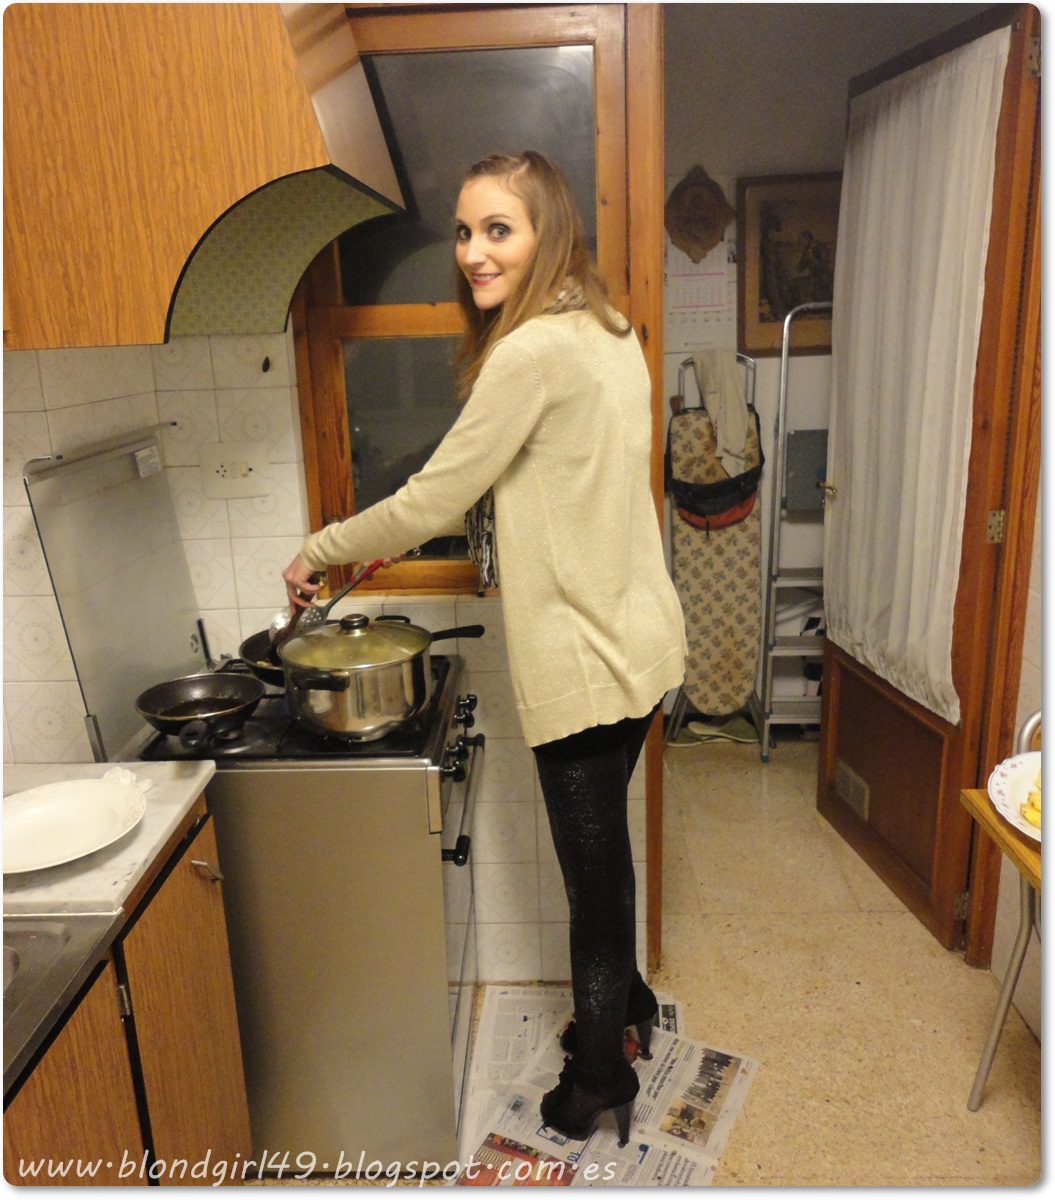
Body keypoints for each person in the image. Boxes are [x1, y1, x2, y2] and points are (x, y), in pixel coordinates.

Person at [283, 151, 687, 1143]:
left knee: (591, 886)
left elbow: (432, 496)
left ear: (546, 231)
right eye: (464, 231)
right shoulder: (607, 328)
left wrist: (320, 551)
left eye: (497, 229)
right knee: (607, 860)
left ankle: (598, 1080)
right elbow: (559, 482)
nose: (472, 251)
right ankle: (629, 1007)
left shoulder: (530, 352)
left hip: (585, 663)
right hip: (640, 646)